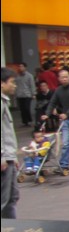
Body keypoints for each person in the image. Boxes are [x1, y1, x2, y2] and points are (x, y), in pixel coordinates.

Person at [1, 68, 20, 218]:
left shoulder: (4, 101)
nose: (14, 86)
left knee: (12, 197)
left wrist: (13, 156)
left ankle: (11, 230)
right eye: (12, 82)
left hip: (9, 157)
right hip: (3, 159)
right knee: (4, 199)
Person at [14, 62, 35, 126]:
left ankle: (29, 120)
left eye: (22, 66)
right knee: (22, 109)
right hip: (20, 95)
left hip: (27, 94)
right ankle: (25, 122)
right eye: (19, 66)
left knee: (26, 108)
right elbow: (16, 85)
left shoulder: (29, 76)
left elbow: (32, 85)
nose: (20, 68)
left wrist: (33, 94)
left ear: (25, 67)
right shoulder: (17, 76)